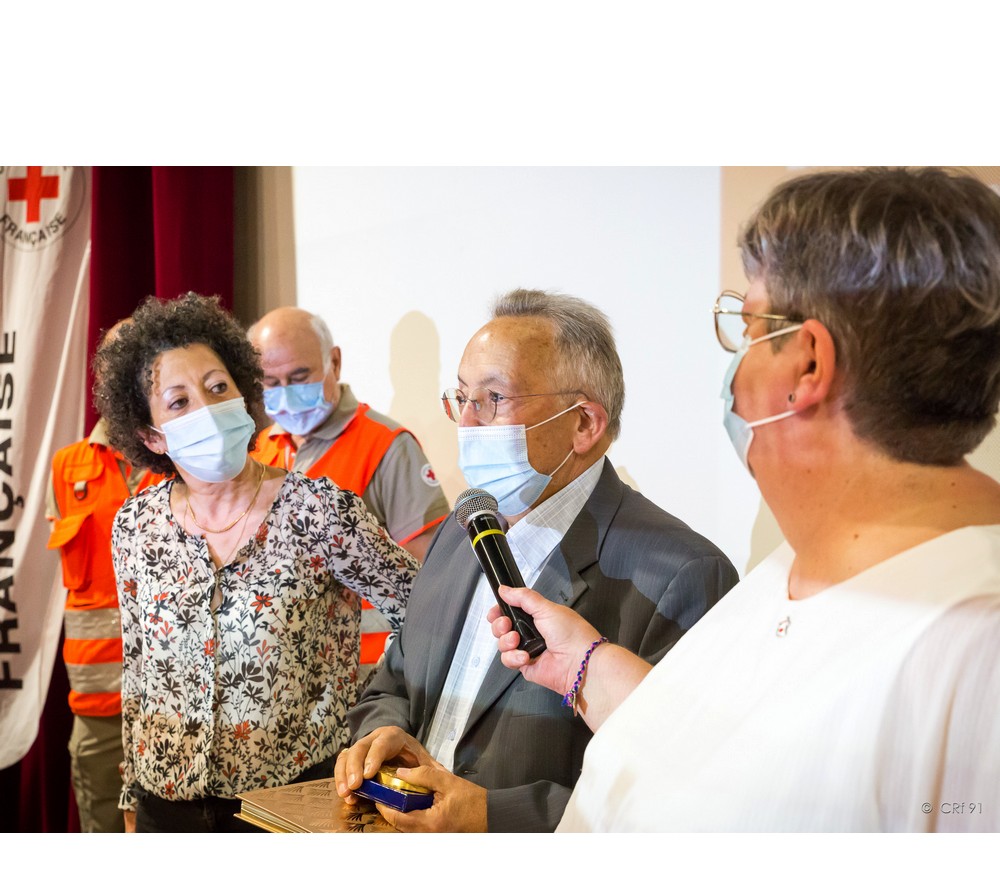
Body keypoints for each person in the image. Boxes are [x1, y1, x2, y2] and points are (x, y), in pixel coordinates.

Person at [490, 167, 1000, 832]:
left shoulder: (973, 645)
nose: (736, 362)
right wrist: (583, 667)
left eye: (749, 326)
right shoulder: (800, 566)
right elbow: (720, 760)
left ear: (808, 365)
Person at [335, 288, 739, 832]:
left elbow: (672, 795)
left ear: (584, 424)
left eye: (494, 398)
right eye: (461, 397)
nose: (467, 423)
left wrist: (490, 816)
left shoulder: (682, 574)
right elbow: (394, 682)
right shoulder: (462, 530)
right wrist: (381, 739)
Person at [97, 292, 419, 833]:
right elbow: (138, 665)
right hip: (164, 805)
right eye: (179, 402)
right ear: (152, 435)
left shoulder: (318, 511)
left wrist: (381, 718)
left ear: (244, 393)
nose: (206, 409)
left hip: (291, 802)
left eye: (217, 387)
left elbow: (425, 614)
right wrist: (131, 795)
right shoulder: (136, 525)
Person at [248, 306, 450, 680]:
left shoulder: (386, 446)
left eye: (299, 377)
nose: (286, 395)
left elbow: (430, 580)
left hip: (369, 678)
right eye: (271, 383)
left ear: (335, 362)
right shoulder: (258, 451)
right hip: (284, 679)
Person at [45, 321, 164, 833]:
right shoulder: (67, 467)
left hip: (177, 699)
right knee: (103, 833)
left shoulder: (189, 460)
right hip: (97, 703)